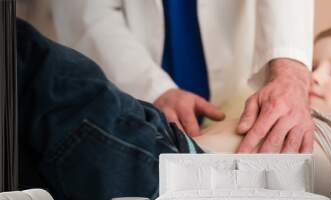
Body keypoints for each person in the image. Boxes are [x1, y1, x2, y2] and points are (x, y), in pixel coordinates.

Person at [18, 19, 331, 200]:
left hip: (181, 186)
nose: (313, 78)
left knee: (35, 65)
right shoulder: (262, 106)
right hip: (164, 151)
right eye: (312, 63)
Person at [50, 0, 315, 154]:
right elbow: (88, 13)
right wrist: (154, 90)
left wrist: (290, 72)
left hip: (229, 83)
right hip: (126, 76)